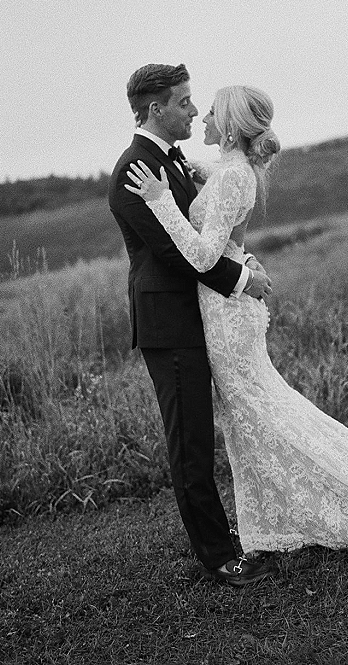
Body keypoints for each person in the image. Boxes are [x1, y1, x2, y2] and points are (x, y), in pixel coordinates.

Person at [125, 83, 348, 555]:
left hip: (226, 317)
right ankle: (268, 516)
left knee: (262, 412)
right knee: (255, 413)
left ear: (232, 126)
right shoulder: (233, 171)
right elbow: (220, 202)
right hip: (227, 311)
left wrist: (161, 201)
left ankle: (320, 502)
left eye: (212, 112)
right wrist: (197, 175)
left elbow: (200, 256)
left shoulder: (234, 177)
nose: (203, 117)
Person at [109, 63, 277, 586]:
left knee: (205, 436)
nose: (191, 109)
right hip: (169, 321)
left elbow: (204, 226)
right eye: (183, 101)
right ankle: (219, 555)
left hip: (199, 314)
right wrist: (242, 278)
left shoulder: (172, 160)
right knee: (192, 443)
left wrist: (241, 259)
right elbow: (178, 255)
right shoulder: (135, 171)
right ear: (155, 109)